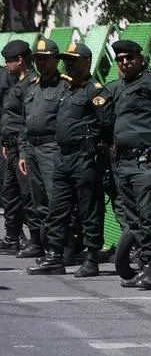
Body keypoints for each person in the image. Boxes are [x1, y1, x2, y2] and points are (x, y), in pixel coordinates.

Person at [105, 38, 151, 289]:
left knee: (150, 217)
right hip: (123, 163)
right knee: (133, 219)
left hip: (146, 160)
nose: (125, 63)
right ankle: (146, 264)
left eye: (130, 58)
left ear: (141, 58)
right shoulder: (118, 87)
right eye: (120, 60)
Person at [27, 43, 108, 277]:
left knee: (89, 209)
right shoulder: (68, 89)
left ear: (86, 62)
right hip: (63, 157)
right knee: (57, 209)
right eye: (66, 61)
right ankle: (55, 255)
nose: (67, 64)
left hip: (85, 158)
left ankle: (91, 258)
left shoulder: (95, 91)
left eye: (72, 60)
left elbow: (107, 125)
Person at [19, 38, 66, 263]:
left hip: (52, 148)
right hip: (32, 148)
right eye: (38, 59)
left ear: (56, 59)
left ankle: (61, 248)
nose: (42, 63)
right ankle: (44, 245)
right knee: (38, 201)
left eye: (46, 59)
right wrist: (22, 152)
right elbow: (23, 121)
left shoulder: (64, 86)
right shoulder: (32, 86)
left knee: (55, 199)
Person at [0, 40, 33, 254]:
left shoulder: (32, 83)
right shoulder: (14, 80)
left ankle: (37, 240)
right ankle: (12, 235)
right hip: (10, 144)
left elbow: (27, 119)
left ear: (19, 60)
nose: (5, 65)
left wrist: (22, 148)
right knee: (9, 192)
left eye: (8, 61)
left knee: (27, 194)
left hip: (23, 145)